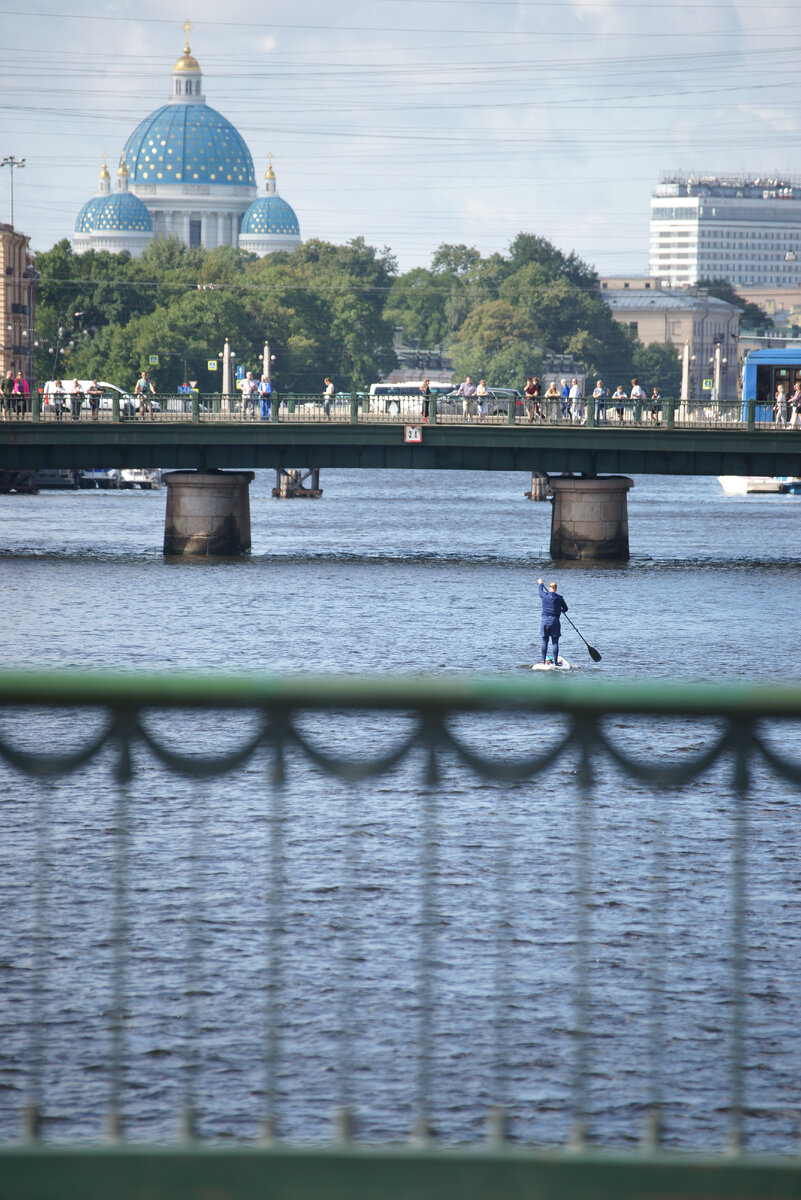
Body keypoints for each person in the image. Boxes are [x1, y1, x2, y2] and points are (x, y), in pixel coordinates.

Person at [537, 577, 568, 666]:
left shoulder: (544, 596)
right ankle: (555, 661)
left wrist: (540, 583)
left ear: (549, 588)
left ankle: (543, 661)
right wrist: (560, 610)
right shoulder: (560, 598)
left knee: (544, 641)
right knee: (555, 642)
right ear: (556, 589)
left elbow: (540, 590)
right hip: (555, 621)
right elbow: (566, 609)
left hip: (545, 621)